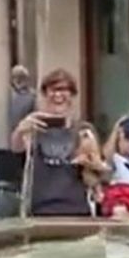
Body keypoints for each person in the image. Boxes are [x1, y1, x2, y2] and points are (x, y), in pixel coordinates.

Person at [10, 69, 103, 217]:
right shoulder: (34, 127)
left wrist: (89, 162)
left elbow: (98, 170)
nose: (58, 95)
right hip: (40, 210)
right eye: (53, 90)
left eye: (64, 90)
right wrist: (21, 129)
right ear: (45, 95)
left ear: (72, 95)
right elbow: (16, 149)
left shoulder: (84, 130)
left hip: (77, 209)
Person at [8, 65, 36, 137]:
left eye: (22, 78)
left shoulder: (32, 96)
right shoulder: (6, 95)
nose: (19, 81)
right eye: (16, 77)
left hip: (24, 133)